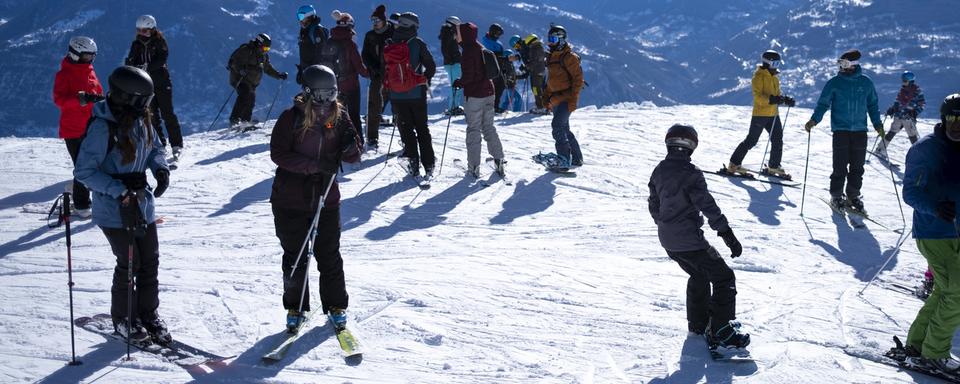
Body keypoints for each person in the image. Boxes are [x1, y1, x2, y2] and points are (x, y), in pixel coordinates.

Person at [74, 66, 171, 344]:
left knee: (149, 262)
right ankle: (124, 320)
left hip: (142, 203)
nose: (147, 105)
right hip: (115, 208)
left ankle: (148, 314)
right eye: (144, 100)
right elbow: (84, 172)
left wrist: (160, 168)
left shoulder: (141, 119)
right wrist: (118, 190)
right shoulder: (103, 127)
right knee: (130, 264)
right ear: (129, 98)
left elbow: (154, 148)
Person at [269, 65, 361, 331]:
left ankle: (336, 306)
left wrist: (350, 147)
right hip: (291, 201)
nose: (326, 101)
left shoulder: (341, 117)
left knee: (329, 255)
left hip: (326, 198)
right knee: (295, 257)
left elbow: (355, 153)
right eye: (320, 95)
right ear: (308, 93)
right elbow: (279, 154)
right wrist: (315, 165)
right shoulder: (291, 118)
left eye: (331, 94)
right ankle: (295, 308)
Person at [648, 124, 749, 349]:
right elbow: (707, 205)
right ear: (692, 147)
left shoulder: (659, 170)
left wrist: (664, 223)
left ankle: (698, 323)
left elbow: (653, 201)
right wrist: (726, 233)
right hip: (689, 241)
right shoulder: (691, 174)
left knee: (699, 274)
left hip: (668, 241)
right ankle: (721, 330)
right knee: (724, 277)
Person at [901, 93, 960, 372]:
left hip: (956, 234)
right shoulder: (926, 149)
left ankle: (917, 344)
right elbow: (911, 192)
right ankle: (935, 353)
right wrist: (935, 207)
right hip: (934, 233)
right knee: (957, 294)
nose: (957, 125)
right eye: (952, 118)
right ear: (943, 118)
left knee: (944, 292)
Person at [804, 49, 883, 214]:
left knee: (857, 167)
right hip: (841, 130)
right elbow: (823, 103)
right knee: (839, 166)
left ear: (853, 65)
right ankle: (836, 196)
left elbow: (873, 105)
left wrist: (877, 124)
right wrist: (814, 120)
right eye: (840, 63)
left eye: (844, 64)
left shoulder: (866, 83)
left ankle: (853, 195)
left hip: (860, 130)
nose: (841, 67)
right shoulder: (834, 82)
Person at [53, 36, 102, 219]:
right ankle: (82, 205)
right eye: (86, 56)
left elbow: (97, 92)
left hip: (92, 126)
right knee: (83, 166)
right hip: (73, 129)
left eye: (92, 56)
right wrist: (81, 100)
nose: (90, 60)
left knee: (96, 163)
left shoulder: (90, 71)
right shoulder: (64, 75)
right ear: (75, 54)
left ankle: (84, 192)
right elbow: (59, 100)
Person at [726, 50, 796, 178]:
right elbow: (758, 97)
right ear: (767, 62)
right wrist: (772, 99)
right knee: (751, 140)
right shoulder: (758, 77)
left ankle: (773, 166)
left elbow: (776, 95)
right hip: (761, 114)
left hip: (773, 114)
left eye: (778, 63)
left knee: (777, 139)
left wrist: (784, 99)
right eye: (774, 63)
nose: (776, 66)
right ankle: (734, 164)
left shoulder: (775, 77)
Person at [384, 12, 436, 178]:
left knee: (406, 130)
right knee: (422, 128)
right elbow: (431, 66)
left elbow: (383, 68)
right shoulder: (417, 43)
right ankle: (429, 164)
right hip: (416, 94)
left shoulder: (390, 43)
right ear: (412, 26)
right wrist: (424, 79)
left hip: (396, 95)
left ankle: (412, 163)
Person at [125, 15, 183, 162]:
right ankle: (160, 145)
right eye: (139, 30)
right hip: (146, 85)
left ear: (152, 29)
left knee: (167, 113)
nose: (141, 33)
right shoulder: (136, 44)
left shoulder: (159, 42)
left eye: (145, 31)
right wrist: (132, 67)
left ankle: (176, 145)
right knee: (151, 117)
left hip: (162, 82)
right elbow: (130, 59)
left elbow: (162, 59)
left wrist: (146, 67)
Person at [453, 22, 505, 178]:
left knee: (474, 129)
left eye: (458, 33)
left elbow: (469, 77)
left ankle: (474, 167)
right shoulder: (480, 46)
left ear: (464, 34)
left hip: (475, 95)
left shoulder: (468, 52)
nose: (456, 36)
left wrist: (458, 83)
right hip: (489, 92)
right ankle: (499, 160)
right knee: (488, 127)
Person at [325, 10, 370, 145]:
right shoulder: (350, 44)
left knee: (334, 114)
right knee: (353, 115)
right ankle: (357, 142)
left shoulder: (329, 42)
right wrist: (371, 73)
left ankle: (331, 141)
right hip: (350, 86)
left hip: (333, 85)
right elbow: (359, 67)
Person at [544, 24, 584, 167]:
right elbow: (551, 80)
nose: (550, 42)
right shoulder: (551, 57)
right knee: (564, 128)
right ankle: (577, 157)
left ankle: (563, 159)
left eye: (553, 39)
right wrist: (547, 98)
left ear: (561, 40)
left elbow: (578, 80)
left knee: (557, 126)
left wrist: (573, 100)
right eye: (549, 38)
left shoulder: (569, 57)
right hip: (555, 99)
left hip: (567, 98)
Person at [227, 33, 288, 127]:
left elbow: (267, 68)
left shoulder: (263, 56)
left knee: (251, 99)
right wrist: (240, 70)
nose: (266, 50)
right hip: (239, 79)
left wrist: (279, 75)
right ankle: (234, 120)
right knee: (244, 94)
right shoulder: (246, 50)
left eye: (267, 49)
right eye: (265, 48)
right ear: (259, 44)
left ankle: (245, 122)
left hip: (252, 82)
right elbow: (234, 62)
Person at [361, 4, 393, 149]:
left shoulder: (393, 32)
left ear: (384, 20)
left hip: (393, 73)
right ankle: (372, 137)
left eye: (377, 20)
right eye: (373, 21)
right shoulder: (370, 35)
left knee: (399, 104)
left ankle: (407, 135)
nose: (374, 23)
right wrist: (372, 68)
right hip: (377, 74)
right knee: (374, 104)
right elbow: (365, 55)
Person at [878, 71, 926, 158]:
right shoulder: (902, 90)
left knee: (912, 136)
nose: (903, 82)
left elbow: (922, 104)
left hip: (908, 117)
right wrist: (892, 109)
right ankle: (881, 149)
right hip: (899, 115)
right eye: (903, 81)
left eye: (905, 81)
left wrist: (914, 112)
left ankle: (918, 155)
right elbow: (897, 102)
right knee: (892, 132)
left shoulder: (917, 91)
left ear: (911, 81)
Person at [512, 34, 548, 114]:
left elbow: (533, 62)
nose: (517, 48)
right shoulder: (534, 47)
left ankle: (540, 107)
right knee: (539, 89)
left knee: (536, 89)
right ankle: (543, 106)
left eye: (517, 45)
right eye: (515, 47)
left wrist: (526, 68)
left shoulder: (531, 49)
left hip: (536, 71)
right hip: (539, 71)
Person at [296, 5, 329, 84]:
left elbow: (321, 53)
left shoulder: (316, 30)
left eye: (301, 16)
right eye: (298, 16)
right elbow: (305, 52)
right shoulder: (305, 30)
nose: (299, 20)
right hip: (307, 73)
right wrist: (301, 69)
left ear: (309, 17)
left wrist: (314, 72)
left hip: (315, 75)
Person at [439, 16, 463, 116]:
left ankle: (454, 106)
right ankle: (453, 108)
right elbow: (446, 49)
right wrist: (452, 59)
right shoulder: (449, 33)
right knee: (456, 86)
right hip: (453, 63)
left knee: (456, 85)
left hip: (451, 63)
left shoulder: (446, 32)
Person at [481, 24, 506, 113]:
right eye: (497, 34)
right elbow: (493, 56)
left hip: (499, 68)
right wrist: (506, 59)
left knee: (500, 86)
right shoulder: (486, 41)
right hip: (490, 69)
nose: (498, 36)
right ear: (493, 33)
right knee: (492, 88)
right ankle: (489, 107)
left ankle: (495, 106)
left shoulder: (498, 43)